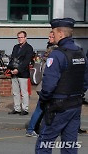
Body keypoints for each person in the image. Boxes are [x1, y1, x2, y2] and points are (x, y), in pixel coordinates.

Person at [35, 18, 88, 154]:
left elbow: (49, 85)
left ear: (60, 34)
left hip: (57, 106)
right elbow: (85, 80)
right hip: (75, 105)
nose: (52, 34)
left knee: (44, 144)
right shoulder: (81, 53)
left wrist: (44, 100)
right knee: (69, 144)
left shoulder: (57, 55)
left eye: (53, 32)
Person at [26, 31, 57, 137]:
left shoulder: (47, 55)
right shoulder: (52, 56)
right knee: (43, 109)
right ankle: (33, 129)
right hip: (46, 87)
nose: (49, 38)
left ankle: (33, 128)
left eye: (51, 36)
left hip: (42, 86)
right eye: (49, 36)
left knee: (42, 109)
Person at [7, 31, 34, 115]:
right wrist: (10, 68)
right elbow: (12, 58)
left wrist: (18, 69)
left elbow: (26, 61)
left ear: (25, 38)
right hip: (14, 72)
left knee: (24, 92)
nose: (20, 39)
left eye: (21, 37)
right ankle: (17, 108)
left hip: (23, 73)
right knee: (15, 92)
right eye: (18, 37)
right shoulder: (16, 47)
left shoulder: (29, 48)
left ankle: (25, 109)